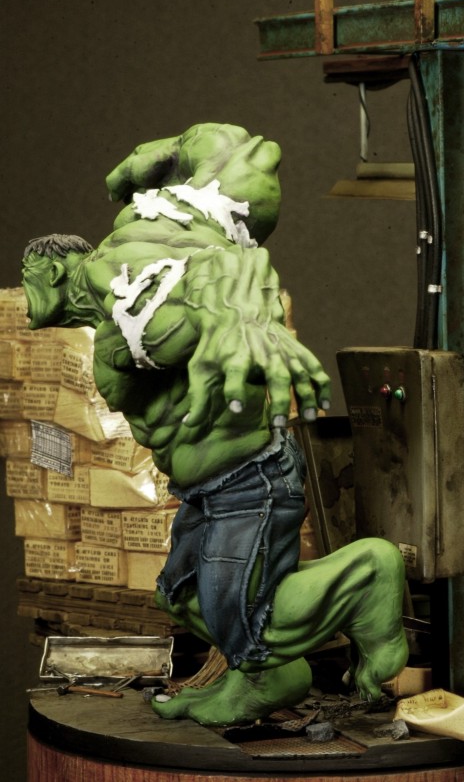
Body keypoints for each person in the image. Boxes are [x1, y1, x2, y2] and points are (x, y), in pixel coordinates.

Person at [22, 122, 408, 726]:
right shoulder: (121, 293)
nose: (24, 297)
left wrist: (235, 310)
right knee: (179, 595)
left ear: (49, 271)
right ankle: (262, 672)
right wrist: (163, 155)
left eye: (27, 279)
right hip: (206, 487)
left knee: (246, 616)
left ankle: (363, 578)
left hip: (248, 479)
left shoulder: (117, 264)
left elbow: (236, 181)